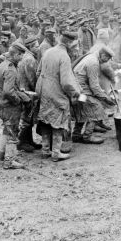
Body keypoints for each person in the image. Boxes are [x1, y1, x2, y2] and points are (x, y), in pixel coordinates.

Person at [36, 31, 81, 161]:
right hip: (56, 92)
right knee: (58, 122)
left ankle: (45, 150)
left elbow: (39, 72)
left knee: (45, 121)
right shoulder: (64, 56)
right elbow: (66, 82)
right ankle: (56, 153)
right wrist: (75, 93)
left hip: (44, 90)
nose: (76, 48)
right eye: (75, 45)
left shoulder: (48, 51)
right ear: (69, 43)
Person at [0, 41, 32, 168]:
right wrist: (18, 101)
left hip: (0, 103)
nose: (21, 59)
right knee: (13, 132)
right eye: (20, 56)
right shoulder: (11, 69)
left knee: (7, 129)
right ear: (15, 55)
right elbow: (8, 92)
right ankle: (9, 161)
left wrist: (19, 91)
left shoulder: (2, 65)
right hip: (8, 105)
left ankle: (1, 154)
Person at [72, 47, 116, 144]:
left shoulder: (92, 57)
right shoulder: (94, 63)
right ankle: (87, 136)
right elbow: (94, 86)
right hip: (81, 92)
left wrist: (101, 92)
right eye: (107, 59)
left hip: (78, 90)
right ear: (103, 55)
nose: (107, 61)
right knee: (97, 108)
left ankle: (76, 135)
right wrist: (105, 98)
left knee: (82, 110)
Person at [17, 35, 42, 152]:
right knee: (27, 117)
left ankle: (29, 140)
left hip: (24, 91)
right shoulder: (30, 59)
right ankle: (22, 142)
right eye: (36, 46)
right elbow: (32, 79)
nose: (38, 48)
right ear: (30, 47)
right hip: (28, 92)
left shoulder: (27, 57)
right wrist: (37, 92)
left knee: (29, 117)